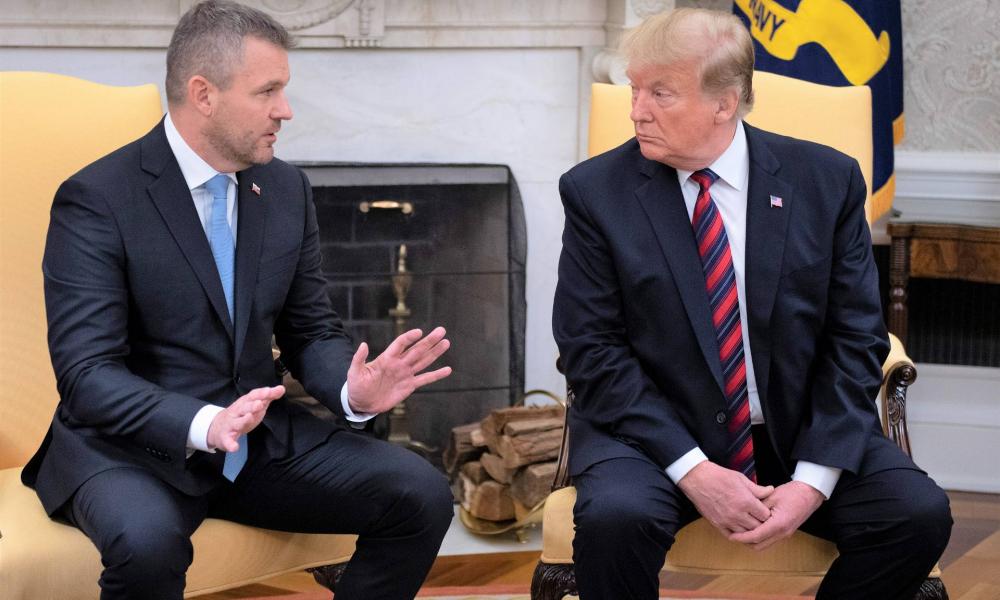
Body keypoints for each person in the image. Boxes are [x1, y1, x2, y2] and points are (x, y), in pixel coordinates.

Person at [20, 2, 455, 598]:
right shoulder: (97, 198)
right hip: (131, 449)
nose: (286, 109)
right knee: (148, 546)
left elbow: (310, 331)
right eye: (267, 91)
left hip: (255, 443)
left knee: (422, 494)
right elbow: (87, 375)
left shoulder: (284, 187)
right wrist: (205, 423)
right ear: (204, 94)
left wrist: (352, 391)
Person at [552, 8, 952, 600]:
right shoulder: (595, 192)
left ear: (725, 102)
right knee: (617, 518)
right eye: (634, 89)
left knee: (916, 515)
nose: (636, 111)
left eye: (660, 93)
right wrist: (694, 470)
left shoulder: (827, 181)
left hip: (797, 428)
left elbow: (856, 339)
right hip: (654, 436)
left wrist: (812, 483)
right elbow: (592, 350)